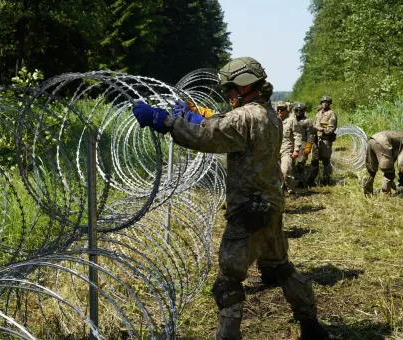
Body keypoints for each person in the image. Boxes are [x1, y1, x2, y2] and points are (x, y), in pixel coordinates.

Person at [132, 57, 327, 340]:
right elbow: (223, 129)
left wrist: (165, 121)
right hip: (270, 204)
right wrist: (194, 118)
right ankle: (312, 326)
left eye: (230, 89)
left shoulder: (245, 116)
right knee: (281, 266)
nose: (228, 95)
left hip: (248, 210)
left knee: (229, 280)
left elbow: (206, 136)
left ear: (243, 86)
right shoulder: (269, 113)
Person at [361, 130, 403, 195]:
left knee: (371, 171)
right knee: (389, 173)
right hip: (383, 143)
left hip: (372, 140)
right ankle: (385, 194)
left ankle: (367, 192)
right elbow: (401, 163)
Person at [307, 96, 337, 186]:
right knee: (314, 160)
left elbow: (330, 129)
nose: (324, 104)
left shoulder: (331, 114)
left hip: (325, 141)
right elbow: (314, 124)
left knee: (326, 161)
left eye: (327, 102)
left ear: (329, 103)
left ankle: (326, 180)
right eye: (323, 102)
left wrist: (319, 129)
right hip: (316, 140)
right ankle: (311, 180)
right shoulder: (318, 113)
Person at [277, 102, 302, 197]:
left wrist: (296, 150)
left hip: (287, 149)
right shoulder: (275, 120)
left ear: (287, 110)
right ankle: (280, 190)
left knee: (286, 170)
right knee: (277, 172)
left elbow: (297, 135)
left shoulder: (291, 120)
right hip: (276, 150)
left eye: (282, 109)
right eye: (278, 109)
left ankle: (291, 190)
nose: (279, 111)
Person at [294, 102, 315, 187]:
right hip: (293, 144)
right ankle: (292, 181)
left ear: (304, 111)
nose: (299, 112)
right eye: (297, 110)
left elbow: (311, 135)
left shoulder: (307, 121)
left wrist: (308, 147)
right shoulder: (292, 119)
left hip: (303, 144)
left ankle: (302, 182)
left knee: (300, 164)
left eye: (301, 110)